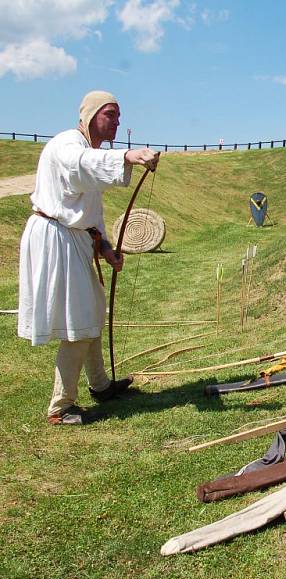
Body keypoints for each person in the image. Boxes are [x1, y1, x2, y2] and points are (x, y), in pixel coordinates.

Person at [18, 90, 160, 426]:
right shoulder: (69, 144)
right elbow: (79, 166)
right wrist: (128, 156)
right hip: (56, 239)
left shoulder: (90, 152)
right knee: (79, 321)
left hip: (74, 239)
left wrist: (106, 247)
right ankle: (60, 406)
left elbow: (90, 214)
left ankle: (100, 385)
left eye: (118, 114)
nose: (117, 121)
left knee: (92, 311)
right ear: (90, 115)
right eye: (110, 114)